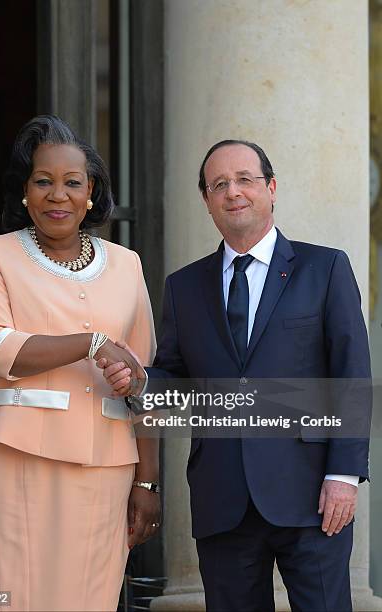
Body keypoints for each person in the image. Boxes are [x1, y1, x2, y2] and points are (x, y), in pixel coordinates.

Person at [99, 140, 371, 611]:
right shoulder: (184, 287)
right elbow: (179, 380)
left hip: (312, 495)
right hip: (223, 498)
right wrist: (142, 381)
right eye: (218, 184)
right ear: (206, 201)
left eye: (245, 179)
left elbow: (351, 375)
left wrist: (344, 474)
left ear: (271, 188)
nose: (233, 192)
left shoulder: (324, 268)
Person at [0, 114, 160, 612]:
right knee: (1, 596)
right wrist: (90, 344)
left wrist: (148, 482)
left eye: (73, 183)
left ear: (90, 192)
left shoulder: (127, 265)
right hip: (12, 458)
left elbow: (144, 381)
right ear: (24, 191)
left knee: (88, 600)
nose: (58, 195)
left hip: (106, 468)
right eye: (43, 181)